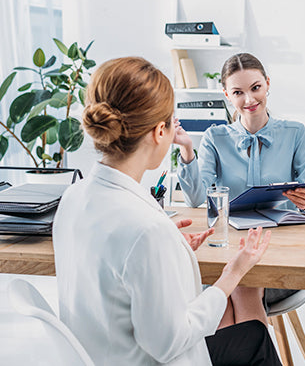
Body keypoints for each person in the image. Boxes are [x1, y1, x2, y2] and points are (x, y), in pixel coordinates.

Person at [53, 57, 282, 366]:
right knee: (255, 338)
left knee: (251, 334)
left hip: (99, 355)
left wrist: (170, 251)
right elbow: (168, 343)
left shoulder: (73, 197)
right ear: (160, 131)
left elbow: (117, 270)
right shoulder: (147, 230)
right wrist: (233, 274)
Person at [176, 53, 305, 309]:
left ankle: (233, 347)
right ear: (226, 94)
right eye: (238, 92)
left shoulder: (295, 133)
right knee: (233, 284)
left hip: (279, 256)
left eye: (256, 88)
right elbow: (195, 198)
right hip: (230, 251)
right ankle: (254, 349)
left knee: (232, 289)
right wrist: (187, 150)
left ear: (267, 83)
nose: (249, 100)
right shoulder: (215, 137)